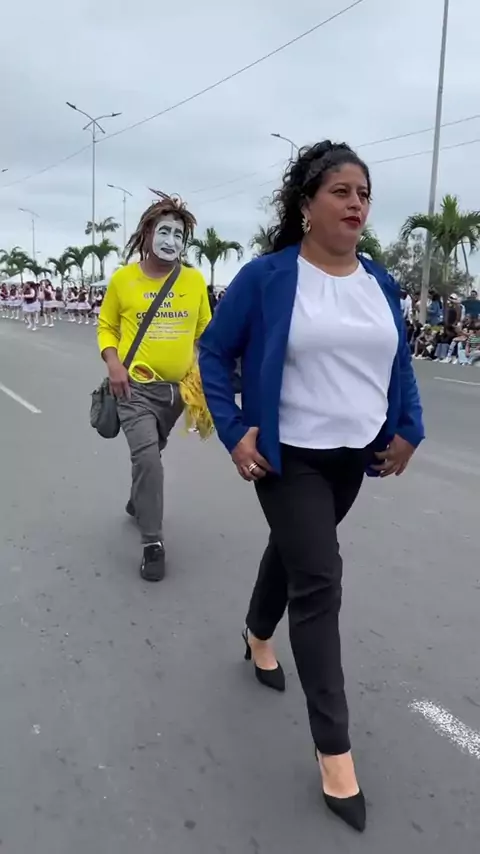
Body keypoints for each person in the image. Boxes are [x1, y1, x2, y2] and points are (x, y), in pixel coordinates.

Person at [199, 141, 424, 832]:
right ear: (306, 204)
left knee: (298, 552)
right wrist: (233, 428)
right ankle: (335, 751)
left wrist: (410, 428)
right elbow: (214, 350)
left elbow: (399, 361)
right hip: (287, 456)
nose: (357, 204)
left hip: (353, 457)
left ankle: (256, 631)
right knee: (320, 578)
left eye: (364, 194)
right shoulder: (268, 277)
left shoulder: (380, 281)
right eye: (342, 192)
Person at [97, 191, 211, 582]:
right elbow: (107, 326)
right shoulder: (123, 280)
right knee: (148, 459)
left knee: (151, 456)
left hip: (175, 394)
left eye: (178, 235)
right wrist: (114, 364)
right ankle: (152, 542)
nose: (171, 240)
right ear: (147, 233)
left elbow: (206, 331)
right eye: (164, 231)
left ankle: (138, 501)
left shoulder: (193, 281)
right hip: (134, 390)